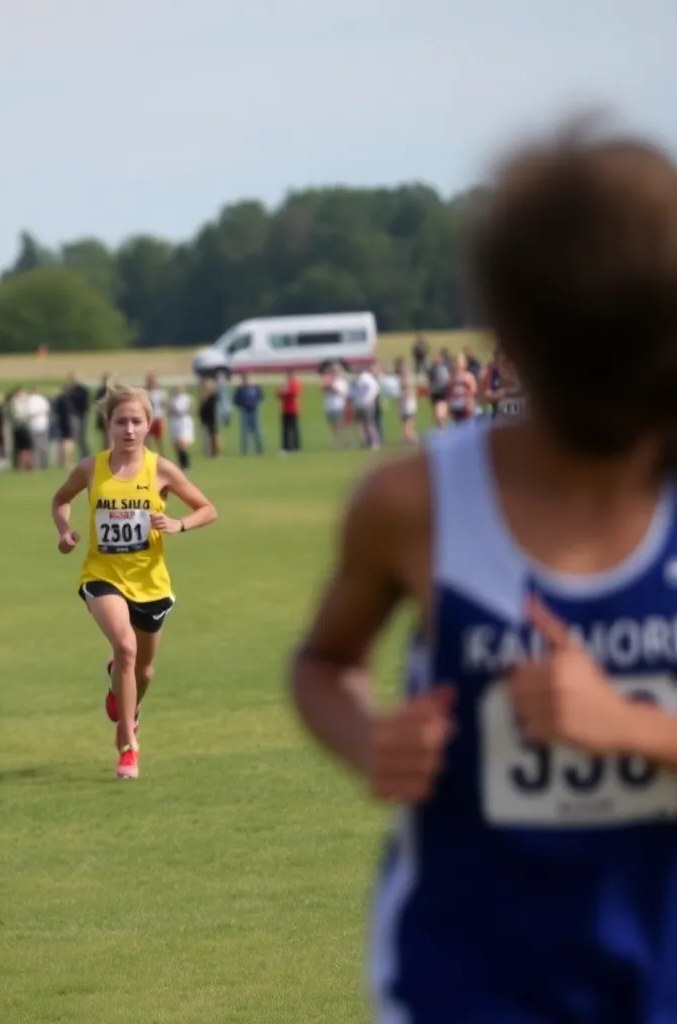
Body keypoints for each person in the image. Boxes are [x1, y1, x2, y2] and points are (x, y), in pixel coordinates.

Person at [290, 121, 677, 1022]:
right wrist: (366, 738)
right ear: (513, 335)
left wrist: (633, 728)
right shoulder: (414, 502)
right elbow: (321, 663)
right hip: (464, 975)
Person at [51, 384, 218, 780]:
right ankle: (128, 746)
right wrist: (64, 532)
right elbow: (61, 499)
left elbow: (208, 509)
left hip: (151, 583)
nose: (128, 429)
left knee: (143, 671)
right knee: (125, 647)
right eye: (121, 421)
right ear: (107, 425)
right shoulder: (91, 468)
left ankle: (125, 699)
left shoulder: (161, 469)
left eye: (136, 422)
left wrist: (179, 523)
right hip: (103, 576)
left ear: (149, 426)